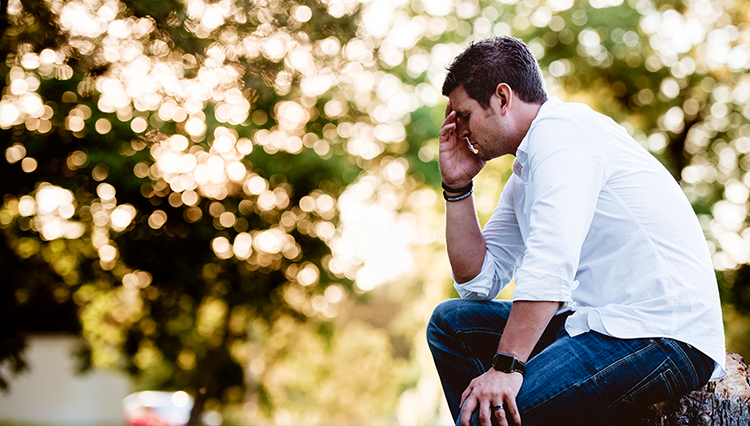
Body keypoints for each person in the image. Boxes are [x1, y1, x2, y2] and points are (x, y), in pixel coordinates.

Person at [426, 36, 726, 426]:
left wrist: (505, 368)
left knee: (500, 415)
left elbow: (551, 263)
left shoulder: (562, 135)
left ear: (502, 98)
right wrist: (457, 188)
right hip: (596, 324)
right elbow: (478, 280)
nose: (460, 131)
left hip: (661, 335)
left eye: (464, 115)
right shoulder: (527, 172)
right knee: (453, 324)